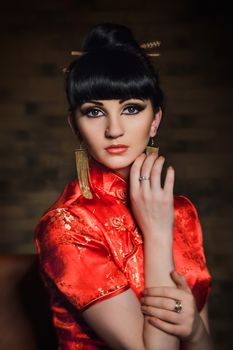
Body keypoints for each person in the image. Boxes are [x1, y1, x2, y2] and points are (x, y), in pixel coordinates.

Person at [34, 23, 213, 350]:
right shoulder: (67, 227)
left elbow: (204, 342)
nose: (114, 129)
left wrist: (196, 332)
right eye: (95, 111)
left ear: (155, 120)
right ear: (75, 124)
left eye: (131, 108)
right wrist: (157, 234)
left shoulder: (181, 212)